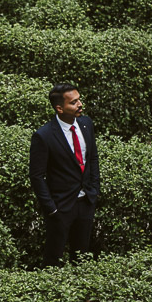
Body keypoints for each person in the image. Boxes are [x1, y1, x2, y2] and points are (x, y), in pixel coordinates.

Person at [29, 83, 100, 266]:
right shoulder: (43, 136)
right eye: (74, 102)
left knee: (82, 258)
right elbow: (37, 176)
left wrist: (94, 189)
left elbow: (92, 158)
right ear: (59, 108)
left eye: (79, 99)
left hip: (86, 202)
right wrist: (51, 207)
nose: (80, 104)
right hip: (60, 207)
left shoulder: (86, 124)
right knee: (54, 259)